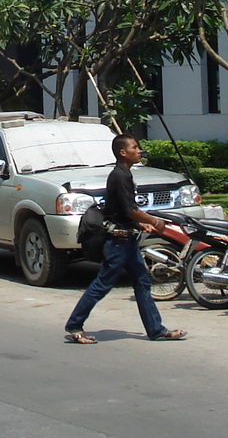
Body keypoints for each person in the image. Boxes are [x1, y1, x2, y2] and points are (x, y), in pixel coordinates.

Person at [63, 135, 187, 344]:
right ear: (123, 152)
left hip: (128, 241)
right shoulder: (119, 176)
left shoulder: (125, 175)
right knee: (103, 284)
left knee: (142, 282)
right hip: (118, 243)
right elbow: (129, 211)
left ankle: (156, 330)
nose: (139, 151)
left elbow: (120, 210)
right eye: (135, 147)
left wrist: (140, 224)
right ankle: (75, 325)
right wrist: (154, 222)